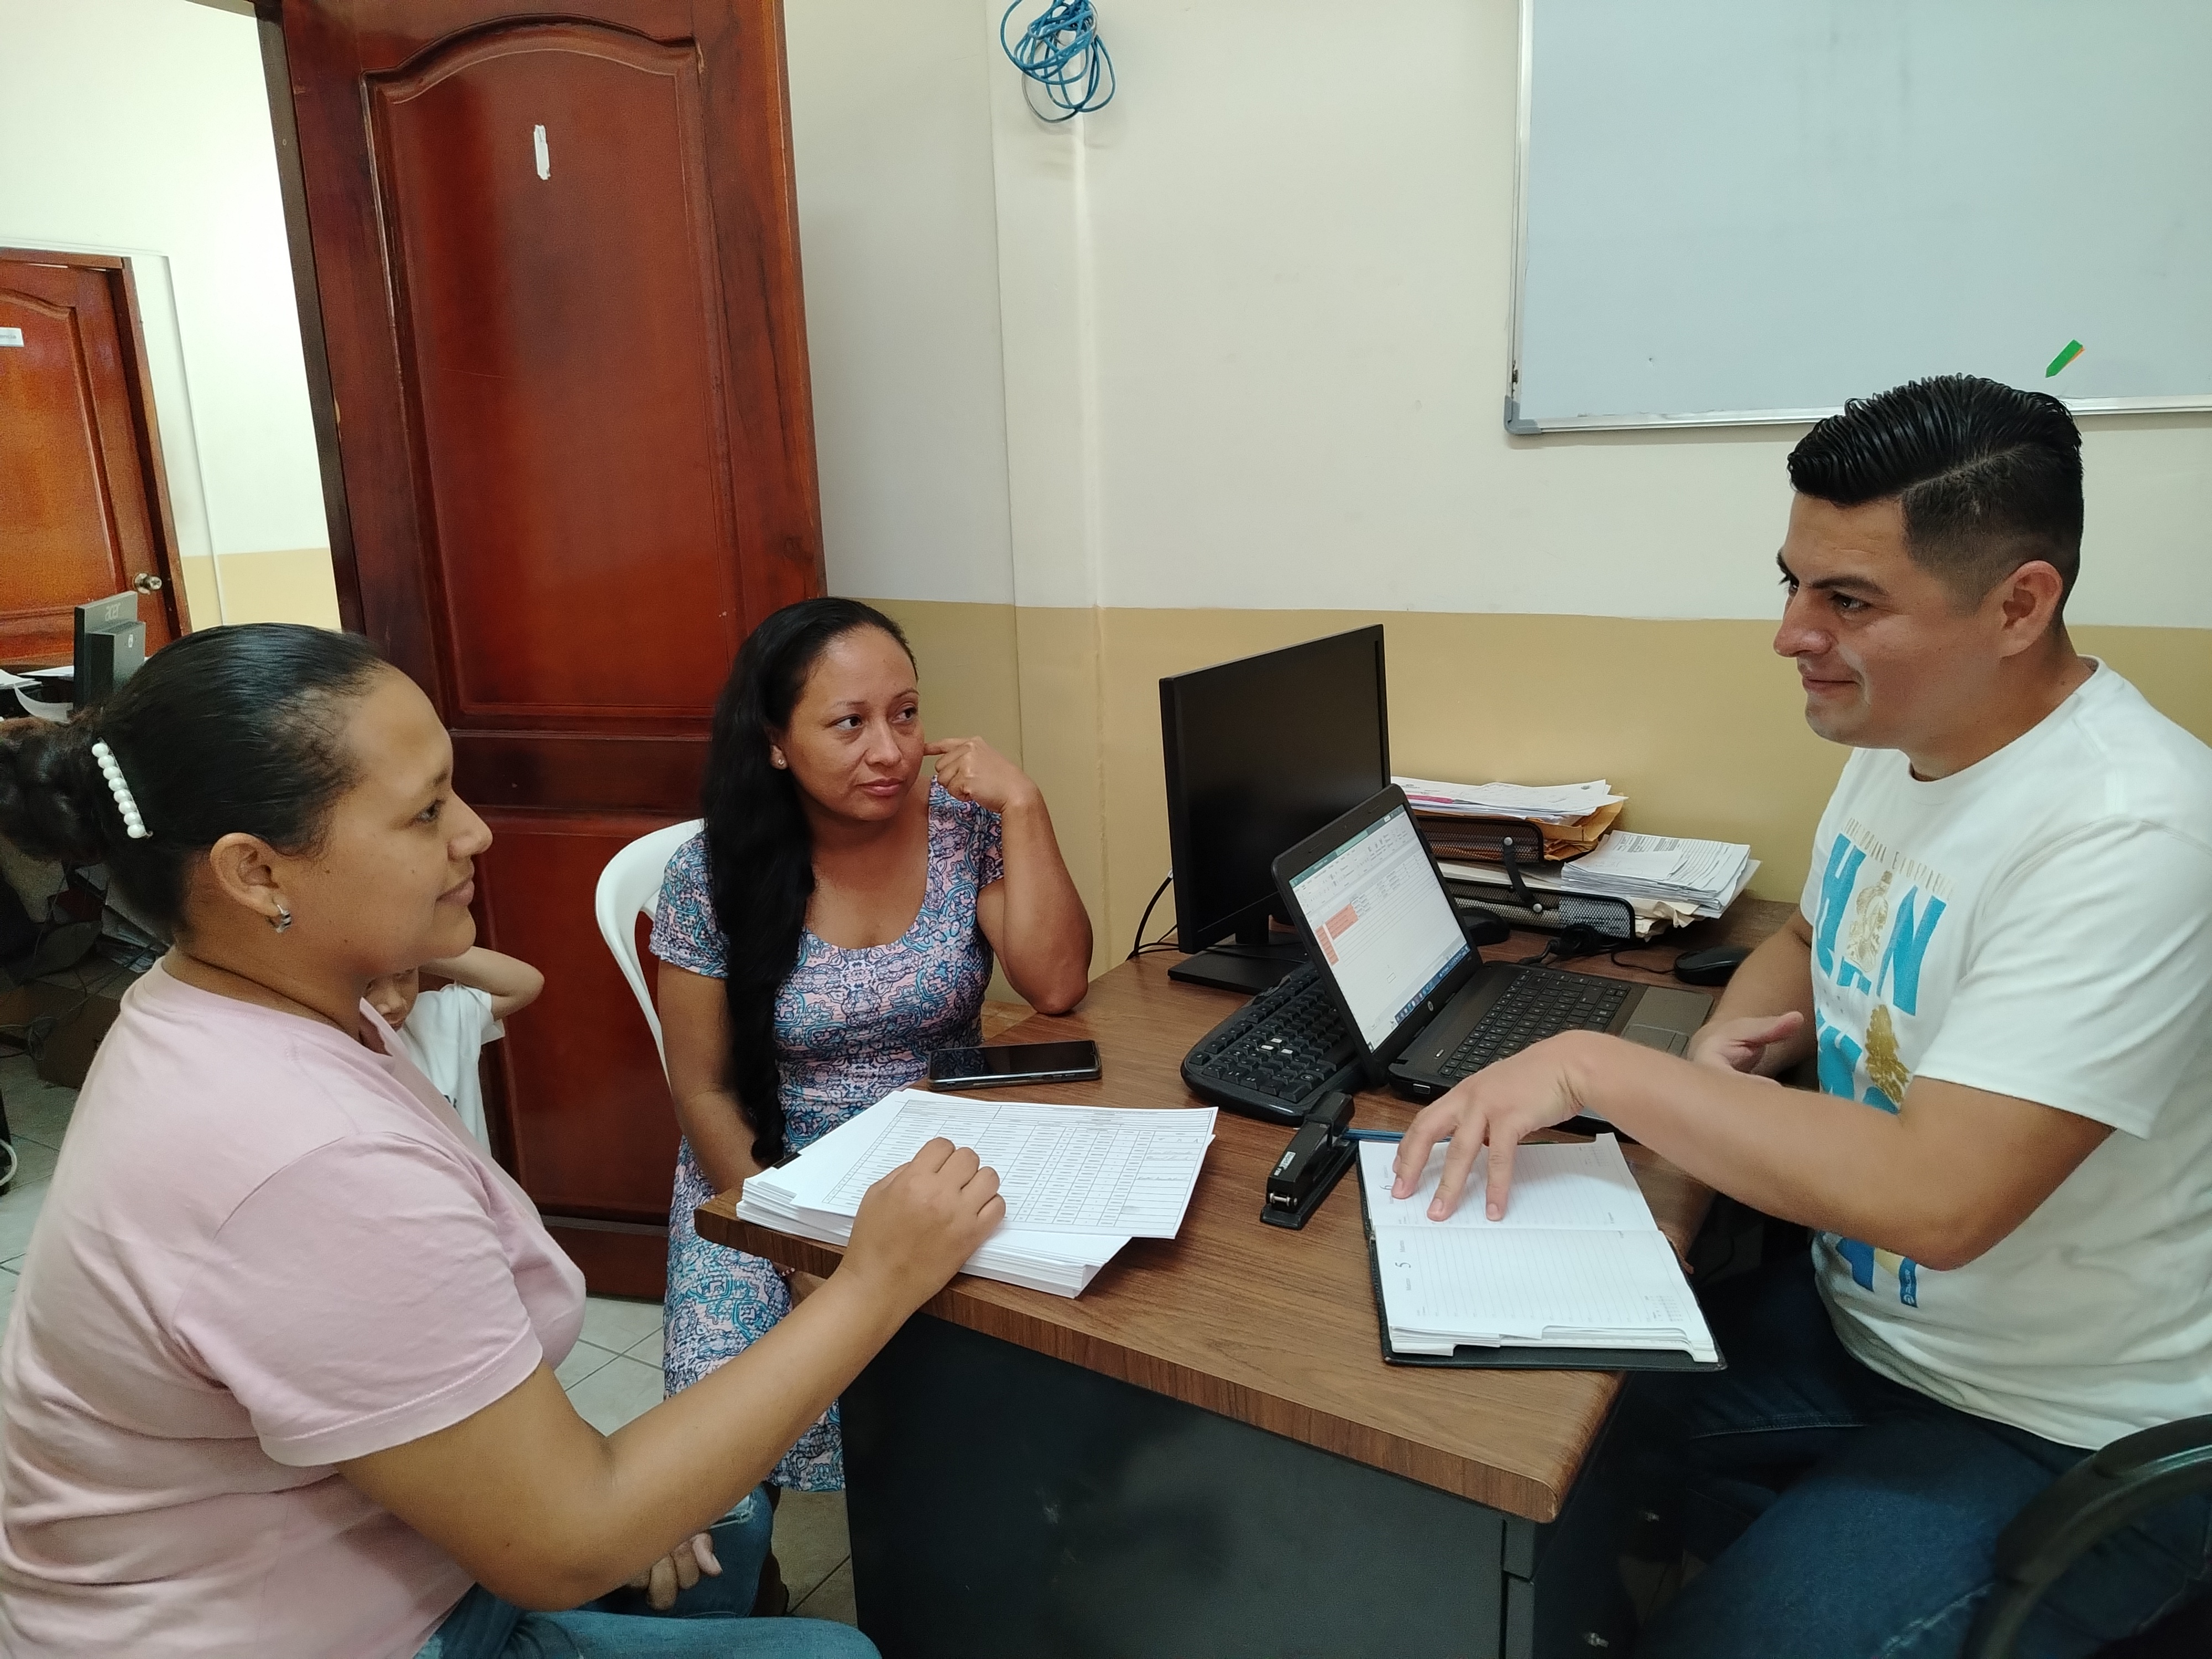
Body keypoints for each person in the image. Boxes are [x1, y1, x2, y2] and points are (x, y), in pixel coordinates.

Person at [1392, 377, 2212, 1656]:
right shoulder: (1902, 735)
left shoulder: (2129, 831)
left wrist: (1607, 1069)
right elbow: (1804, 936)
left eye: (1847, 601)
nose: (1789, 634)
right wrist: (1717, 1057)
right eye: (1790, 583)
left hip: (2057, 1424)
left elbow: (1938, 1202)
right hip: (1859, 1327)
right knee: (1496, 1456)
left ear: (2017, 604)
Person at [0, 623, 1005, 1659]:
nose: (476, 833)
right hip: (339, 1631)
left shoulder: (251, 1007)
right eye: (427, 810)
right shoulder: (303, 1155)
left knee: (717, 1536)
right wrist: (873, 1280)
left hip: (411, 1544)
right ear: (256, 873)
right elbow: (566, 1543)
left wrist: (593, 1491)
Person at [654, 597, 1092, 1491]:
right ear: (776, 742)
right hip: (765, 1170)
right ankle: (745, 1563)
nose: (890, 751)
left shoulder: (962, 827)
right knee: (716, 1441)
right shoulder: (709, 873)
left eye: (906, 714)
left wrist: (1023, 802)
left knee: (1008, 1390)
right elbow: (702, 1090)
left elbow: (1055, 984)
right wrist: (796, 1251)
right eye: (849, 724)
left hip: (939, 1159)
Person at [367, 946, 545, 1147]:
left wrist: (409, 948)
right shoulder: (339, 1069)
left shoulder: (433, 1020)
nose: (395, 1004)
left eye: (405, 973)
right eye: (368, 986)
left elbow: (525, 984)